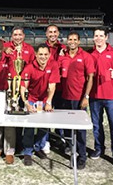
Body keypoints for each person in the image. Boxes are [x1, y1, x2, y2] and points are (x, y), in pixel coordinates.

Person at [88, 26, 113, 169]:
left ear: (106, 38)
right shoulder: (90, 54)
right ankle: (99, 149)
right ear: (93, 38)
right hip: (94, 97)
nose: (98, 38)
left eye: (101, 35)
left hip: (112, 97)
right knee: (97, 126)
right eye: (96, 35)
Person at [58, 31, 95, 169]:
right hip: (64, 97)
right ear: (67, 41)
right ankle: (71, 150)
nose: (72, 41)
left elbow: (90, 77)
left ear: (79, 41)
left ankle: (82, 156)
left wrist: (86, 97)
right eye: (70, 39)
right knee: (67, 127)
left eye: (75, 39)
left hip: (79, 98)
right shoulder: (63, 56)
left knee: (80, 130)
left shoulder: (86, 56)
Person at [20, 43, 60, 166]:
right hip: (31, 98)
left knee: (44, 126)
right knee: (29, 127)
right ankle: (27, 151)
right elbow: (23, 87)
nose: (43, 57)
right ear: (36, 55)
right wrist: (26, 103)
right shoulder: (29, 68)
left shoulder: (53, 65)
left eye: (45, 54)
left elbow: (52, 86)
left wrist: (48, 102)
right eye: (40, 54)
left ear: (49, 55)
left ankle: (38, 147)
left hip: (44, 100)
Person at [4, 26, 36, 154]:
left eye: (20, 34)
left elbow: (33, 66)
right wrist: (4, 52)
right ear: (11, 36)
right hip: (10, 88)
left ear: (24, 36)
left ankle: (23, 143)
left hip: (24, 88)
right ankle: (11, 144)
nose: (17, 37)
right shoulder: (5, 47)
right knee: (10, 115)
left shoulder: (29, 49)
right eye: (15, 34)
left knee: (24, 116)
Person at [44, 24, 67, 153]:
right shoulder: (42, 48)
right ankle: (45, 139)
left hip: (60, 88)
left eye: (55, 32)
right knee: (46, 115)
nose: (52, 34)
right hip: (45, 87)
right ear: (46, 34)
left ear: (58, 34)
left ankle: (60, 138)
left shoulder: (63, 48)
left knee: (59, 114)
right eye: (50, 32)